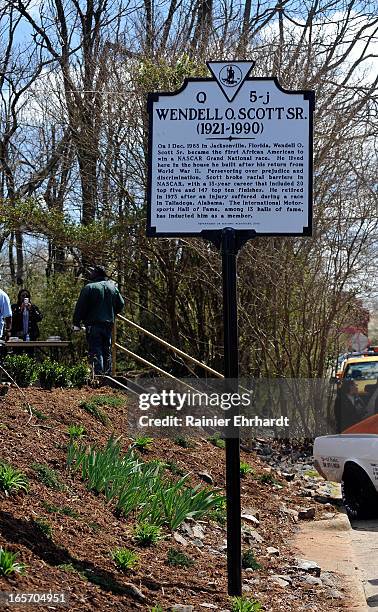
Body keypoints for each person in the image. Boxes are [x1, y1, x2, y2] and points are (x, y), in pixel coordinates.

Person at [73, 265, 124, 375]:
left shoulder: (89, 287)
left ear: (97, 273)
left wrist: (76, 322)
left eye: (93, 272)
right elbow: (121, 304)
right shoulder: (112, 287)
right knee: (107, 350)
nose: (90, 273)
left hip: (94, 324)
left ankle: (99, 376)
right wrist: (112, 313)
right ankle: (108, 375)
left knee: (96, 350)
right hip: (108, 324)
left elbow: (80, 307)